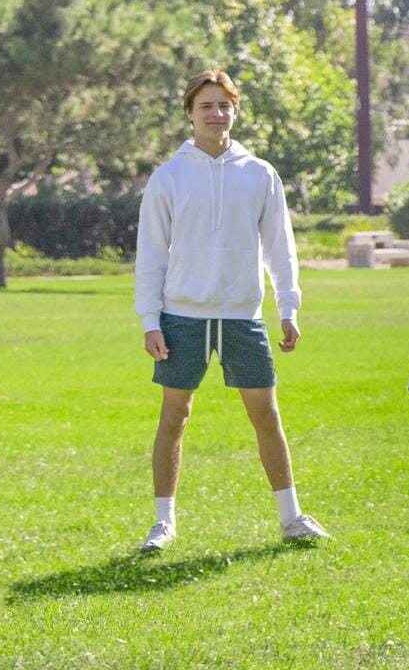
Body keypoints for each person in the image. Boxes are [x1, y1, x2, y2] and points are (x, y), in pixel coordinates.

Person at [134, 70, 328, 552]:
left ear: (234, 111)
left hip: (244, 317)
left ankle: (291, 518)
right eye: (206, 106)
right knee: (174, 416)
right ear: (190, 113)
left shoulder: (259, 174)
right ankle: (164, 525)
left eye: (224, 105)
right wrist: (150, 320)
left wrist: (289, 306)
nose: (216, 113)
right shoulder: (169, 177)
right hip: (182, 316)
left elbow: (280, 247)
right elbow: (151, 253)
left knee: (266, 415)